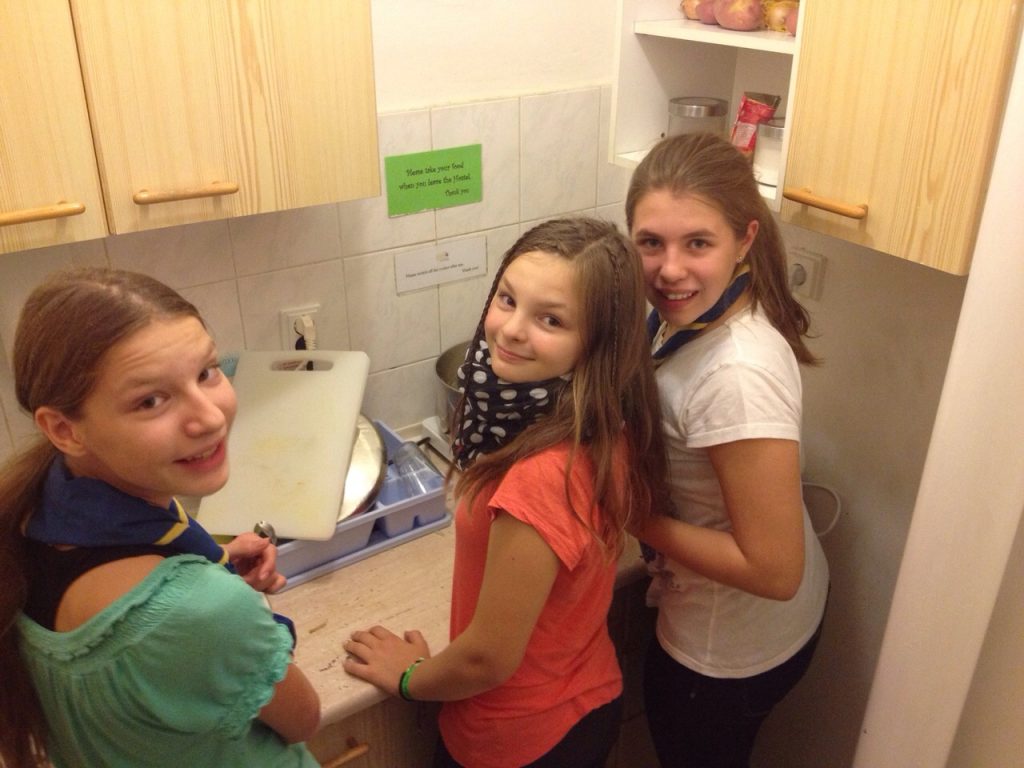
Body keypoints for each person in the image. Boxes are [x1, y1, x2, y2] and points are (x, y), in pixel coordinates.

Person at [342, 217, 668, 768]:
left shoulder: (542, 474)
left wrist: (411, 677)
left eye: (551, 319)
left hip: (516, 737)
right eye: (507, 299)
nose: (512, 329)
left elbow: (487, 660)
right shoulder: (608, 420)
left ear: (597, 343)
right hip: (585, 696)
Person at [0, 267, 321, 768]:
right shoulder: (203, 611)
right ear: (64, 429)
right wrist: (225, 603)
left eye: (207, 372)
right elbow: (303, 720)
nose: (210, 417)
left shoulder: (36, 517)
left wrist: (214, 561)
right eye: (151, 400)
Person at [625, 132, 830, 767]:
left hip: (727, 650)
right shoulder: (701, 309)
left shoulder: (735, 374)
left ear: (744, 240)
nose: (670, 269)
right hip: (760, 623)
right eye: (650, 242)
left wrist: (629, 515)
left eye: (698, 243)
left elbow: (774, 571)